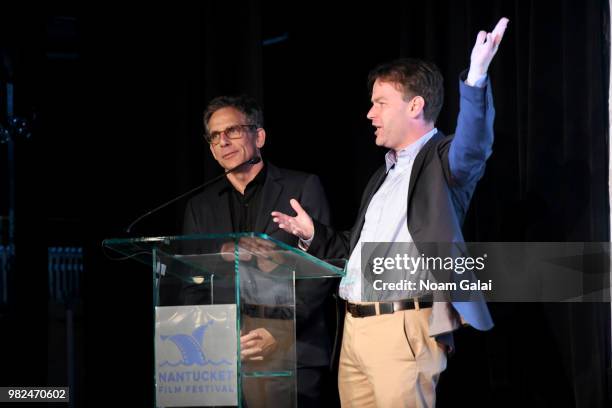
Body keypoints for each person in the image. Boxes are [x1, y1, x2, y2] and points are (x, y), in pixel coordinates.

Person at [271, 18, 509, 407]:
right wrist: (314, 234)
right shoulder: (384, 174)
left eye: (380, 103)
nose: (369, 113)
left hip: (402, 329)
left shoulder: (444, 162)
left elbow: (474, 145)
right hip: (354, 329)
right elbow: (355, 250)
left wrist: (477, 77)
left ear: (415, 105)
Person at [182, 95, 337, 407]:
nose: (222, 142)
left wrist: (278, 331)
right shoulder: (198, 206)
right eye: (214, 136)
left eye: (232, 131)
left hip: (293, 351)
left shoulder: (302, 187)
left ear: (259, 136)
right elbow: (191, 284)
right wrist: (217, 339)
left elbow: (320, 270)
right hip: (223, 357)